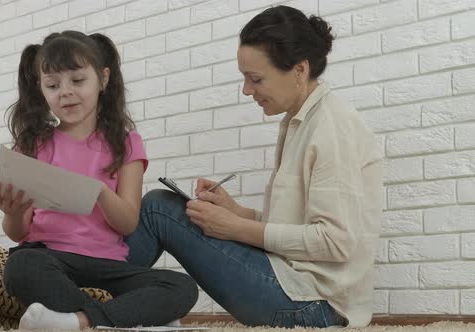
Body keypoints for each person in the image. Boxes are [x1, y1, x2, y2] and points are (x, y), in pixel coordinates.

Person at [125, 5, 382, 329]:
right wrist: (236, 213)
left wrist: (235, 228)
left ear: (299, 70)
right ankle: (93, 304)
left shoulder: (332, 128)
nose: (247, 90)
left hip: (315, 306)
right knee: (160, 207)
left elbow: (334, 241)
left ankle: (86, 307)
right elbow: (299, 225)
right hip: (296, 287)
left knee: (157, 210)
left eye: (255, 78)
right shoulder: (301, 121)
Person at [0, 31, 197, 331]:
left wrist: (99, 191)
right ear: (41, 89)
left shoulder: (126, 144)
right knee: (20, 266)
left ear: (103, 79)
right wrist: (11, 213)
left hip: (107, 266)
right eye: (52, 85)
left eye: (77, 80)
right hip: (49, 258)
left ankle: (78, 321)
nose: (65, 92)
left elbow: (127, 222)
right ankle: (122, 318)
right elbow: (17, 232)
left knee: (182, 287)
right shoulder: (31, 146)